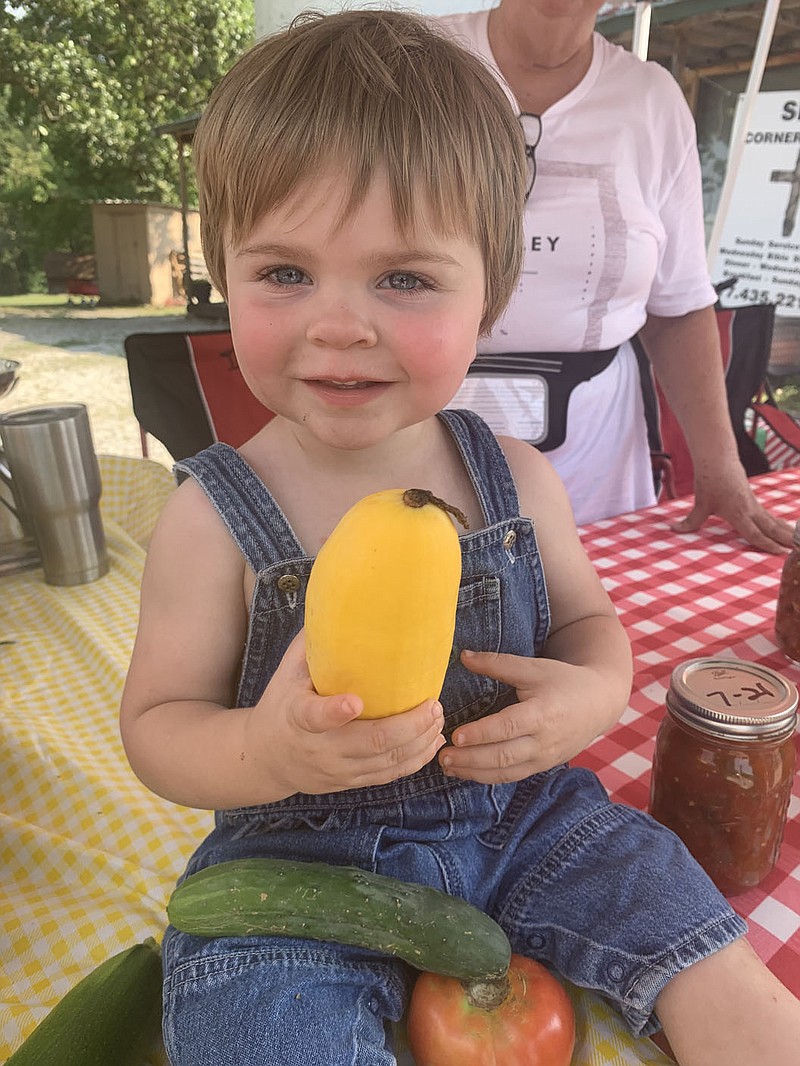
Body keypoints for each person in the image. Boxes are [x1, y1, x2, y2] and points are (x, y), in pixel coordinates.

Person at [119, 11, 800, 1066]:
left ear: (489, 294)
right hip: (297, 862)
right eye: (285, 274)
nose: (338, 323)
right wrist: (265, 748)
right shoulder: (212, 514)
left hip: (521, 819)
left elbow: (586, 622)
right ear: (223, 271)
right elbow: (158, 726)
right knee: (250, 1018)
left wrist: (585, 695)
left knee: (676, 907)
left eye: (403, 279)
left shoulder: (513, 479)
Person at [437, 0, 793, 552]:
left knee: (591, 623)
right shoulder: (415, 64)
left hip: (596, 460)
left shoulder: (652, 100)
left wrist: (721, 467)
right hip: (417, 431)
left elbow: (678, 306)